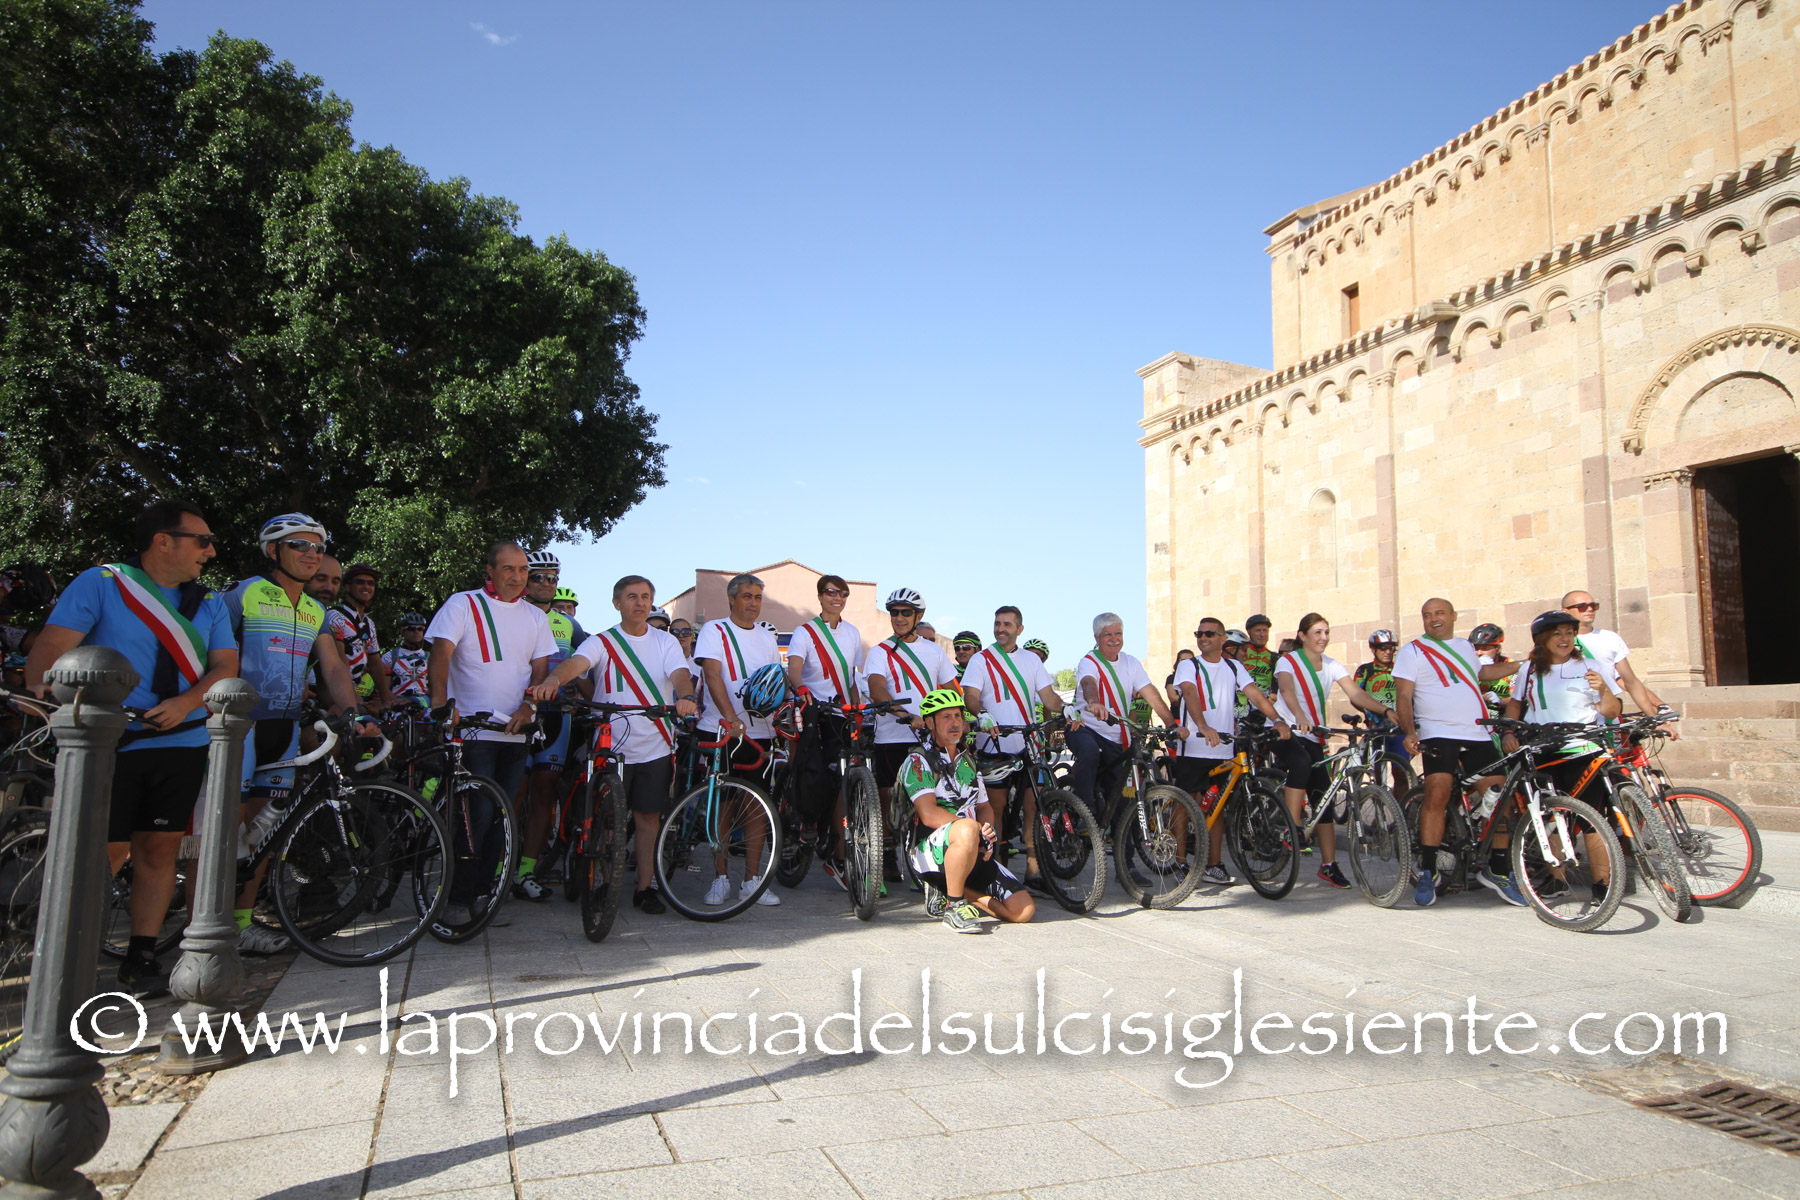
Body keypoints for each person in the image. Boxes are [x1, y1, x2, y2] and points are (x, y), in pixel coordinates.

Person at [24, 500, 239, 996]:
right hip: (111, 741)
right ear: (163, 541)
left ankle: (140, 955)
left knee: (159, 848)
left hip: (183, 738)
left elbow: (225, 667)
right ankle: (68, 961)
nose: (211, 551)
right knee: (102, 850)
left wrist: (185, 704)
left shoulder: (209, 602)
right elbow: (51, 650)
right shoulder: (102, 583)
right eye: (202, 540)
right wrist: (46, 701)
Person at [223, 514, 372, 954]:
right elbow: (207, 649)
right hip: (239, 727)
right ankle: (207, 929)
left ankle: (240, 924)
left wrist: (356, 716)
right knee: (227, 834)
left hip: (284, 728)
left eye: (317, 547)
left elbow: (333, 667)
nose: (312, 554)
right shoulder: (244, 593)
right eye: (299, 545)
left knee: (261, 836)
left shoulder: (315, 610)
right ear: (273, 551)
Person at [530, 575, 698, 915]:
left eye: (646, 596)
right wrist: (553, 679)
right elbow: (577, 664)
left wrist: (686, 696)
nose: (640, 602)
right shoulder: (602, 642)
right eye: (632, 596)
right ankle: (604, 881)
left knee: (648, 817)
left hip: (655, 743)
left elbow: (680, 674)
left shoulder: (665, 642)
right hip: (611, 743)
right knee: (607, 818)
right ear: (617, 603)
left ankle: (645, 887)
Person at [425, 542, 556, 927]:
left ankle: (483, 894)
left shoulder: (535, 617)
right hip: (472, 731)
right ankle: (456, 897)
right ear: (490, 570)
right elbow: (441, 655)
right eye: (508, 569)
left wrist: (528, 707)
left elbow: (540, 671)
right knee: (475, 816)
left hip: (516, 732)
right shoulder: (463, 604)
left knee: (502, 816)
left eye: (523, 570)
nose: (517, 577)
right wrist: (441, 706)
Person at [1393, 598, 1523, 908]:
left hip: (1476, 732)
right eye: (1427, 615)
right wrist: (1410, 731)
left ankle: (1498, 869)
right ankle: (1429, 869)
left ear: (1453, 615)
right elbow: (1404, 695)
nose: (1433, 618)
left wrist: (1520, 665)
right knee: (1437, 794)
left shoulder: (1464, 647)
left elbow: (1483, 673)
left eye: (1439, 613)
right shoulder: (1412, 651)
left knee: (1499, 797)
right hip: (1438, 732)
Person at [1501, 610, 1626, 902]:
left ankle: (1602, 886)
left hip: (1582, 749)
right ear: (1542, 639)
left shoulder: (1591, 666)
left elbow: (1612, 711)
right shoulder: (1529, 670)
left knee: (1592, 817)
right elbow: (1516, 704)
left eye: (1569, 633)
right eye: (1557, 633)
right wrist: (1508, 732)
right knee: (1551, 817)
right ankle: (1557, 879)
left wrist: (1604, 690)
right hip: (1543, 749)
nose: (1565, 638)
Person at [1272, 612, 1395, 889]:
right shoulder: (1288, 661)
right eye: (1317, 632)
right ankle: (1291, 829)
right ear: (1302, 635)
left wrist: (1386, 710)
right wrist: (1299, 714)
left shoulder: (1331, 665)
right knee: (1301, 762)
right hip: (1286, 729)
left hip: (1313, 734)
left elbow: (1356, 693)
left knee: (1323, 798)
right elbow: (1286, 690)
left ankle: (1329, 865)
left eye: (1326, 632)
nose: (1323, 637)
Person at [960, 605, 1077, 889]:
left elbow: (1048, 696)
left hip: (1029, 745)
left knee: (1033, 807)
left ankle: (1033, 871)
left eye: (1007, 624)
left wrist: (1066, 708)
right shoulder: (981, 660)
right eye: (997, 623)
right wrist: (981, 713)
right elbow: (970, 696)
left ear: (1019, 629)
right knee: (996, 808)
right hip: (995, 743)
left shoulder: (1031, 660)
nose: (1001, 629)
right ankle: (997, 871)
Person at [902, 688, 1035, 931]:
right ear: (930, 723)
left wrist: (987, 829)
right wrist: (974, 829)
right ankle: (954, 908)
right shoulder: (918, 761)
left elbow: (984, 806)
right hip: (929, 854)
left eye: (958, 716)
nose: (955, 723)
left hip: (972, 846)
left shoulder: (968, 761)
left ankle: (953, 891)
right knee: (966, 829)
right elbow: (929, 814)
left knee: (1023, 910)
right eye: (946, 717)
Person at [1173, 618, 1291, 885]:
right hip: (1194, 746)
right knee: (1185, 802)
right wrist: (1202, 725)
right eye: (1199, 633)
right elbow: (1189, 693)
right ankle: (1179, 862)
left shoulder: (1233, 666)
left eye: (1209, 633)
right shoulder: (1189, 665)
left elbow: (1255, 695)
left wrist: (1277, 719)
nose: (1203, 638)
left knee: (1218, 807)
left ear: (1222, 638)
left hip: (1223, 748)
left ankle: (1213, 865)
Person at [694, 572, 782, 906]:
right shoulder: (714, 630)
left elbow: (776, 681)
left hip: (761, 732)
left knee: (756, 806)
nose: (753, 603)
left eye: (758, 597)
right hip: (722, 729)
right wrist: (731, 718)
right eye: (747, 596)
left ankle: (752, 881)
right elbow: (712, 674)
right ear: (731, 599)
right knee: (724, 804)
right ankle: (720, 879)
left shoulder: (767, 638)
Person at [514, 550, 589, 901]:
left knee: (544, 793)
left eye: (552, 578)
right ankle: (500, 867)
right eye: (539, 577)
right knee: (514, 793)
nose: (547, 583)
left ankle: (527, 871)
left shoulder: (568, 624)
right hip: (518, 713)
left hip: (557, 715)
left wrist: (596, 699)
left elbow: (587, 665)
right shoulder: (512, 614)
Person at [784, 574, 865, 887]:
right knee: (812, 771)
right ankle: (805, 819)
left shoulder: (853, 633)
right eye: (831, 592)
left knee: (843, 779)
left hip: (841, 713)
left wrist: (857, 708)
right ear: (820, 596)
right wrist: (801, 687)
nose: (837, 598)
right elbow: (794, 669)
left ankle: (837, 853)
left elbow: (852, 677)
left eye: (843, 593)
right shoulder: (805, 632)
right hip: (814, 710)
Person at [865, 588, 959, 858]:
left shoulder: (934, 651)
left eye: (906, 612)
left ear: (918, 616)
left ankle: (930, 858)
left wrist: (958, 720)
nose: (899, 617)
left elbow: (952, 691)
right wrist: (904, 714)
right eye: (894, 612)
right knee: (888, 797)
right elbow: (877, 689)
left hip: (929, 738)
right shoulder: (880, 652)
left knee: (933, 797)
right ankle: (886, 858)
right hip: (892, 736)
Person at [1070, 613, 1184, 831]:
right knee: (1090, 752)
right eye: (1107, 634)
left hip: (1116, 736)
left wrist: (1171, 724)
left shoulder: (1131, 663)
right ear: (1096, 637)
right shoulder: (1089, 662)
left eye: (1118, 633)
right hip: (1086, 728)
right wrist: (1094, 702)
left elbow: (1151, 694)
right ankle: (1085, 811)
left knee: (1121, 801)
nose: (1114, 639)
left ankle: (1125, 850)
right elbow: (1088, 682)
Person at [1561, 591, 1676, 735]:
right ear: (1565, 611)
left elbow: (1630, 682)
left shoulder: (1610, 638)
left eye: (1593, 605)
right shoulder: (1558, 642)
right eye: (1582, 606)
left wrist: (1655, 720)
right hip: (1574, 719)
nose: (1589, 609)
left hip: (1608, 715)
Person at [329, 563, 397, 711]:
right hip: (329, 690)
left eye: (371, 583)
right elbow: (338, 659)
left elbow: (375, 664)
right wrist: (350, 694)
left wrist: (386, 701)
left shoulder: (369, 623)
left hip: (351, 691)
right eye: (360, 582)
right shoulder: (335, 616)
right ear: (347, 587)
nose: (366, 586)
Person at [382, 613, 432, 707]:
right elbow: (383, 688)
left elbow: (435, 687)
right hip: (397, 704)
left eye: (420, 629)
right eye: (411, 628)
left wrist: (417, 701)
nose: (416, 631)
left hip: (422, 703)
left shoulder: (431, 658)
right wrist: (397, 702)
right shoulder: (389, 657)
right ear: (402, 631)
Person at [1471, 623, 1512, 701]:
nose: (1479, 653)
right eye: (1476, 648)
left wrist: (1500, 701)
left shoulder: (1510, 666)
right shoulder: (1468, 666)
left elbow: (1516, 699)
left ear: (1498, 649)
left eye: (1485, 648)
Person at [1242, 614, 1276, 695]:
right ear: (1249, 632)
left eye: (1265, 630)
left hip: (1264, 700)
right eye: (1258, 630)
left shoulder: (1274, 657)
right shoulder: (1241, 653)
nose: (1262, 634)